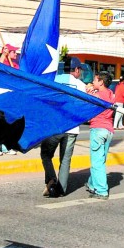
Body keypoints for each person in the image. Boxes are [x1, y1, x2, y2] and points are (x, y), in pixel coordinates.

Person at [40, 57, 85, 198]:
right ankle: (61, 189)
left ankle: (51, 180)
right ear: (76, 69)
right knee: (65, 160)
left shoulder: (53, 80)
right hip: (72, 128)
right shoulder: (81, 85)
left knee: (46, 155)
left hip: (54, 126)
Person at [84, 71, 115, 200]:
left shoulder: (97, 95)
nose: (93, 82)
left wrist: (88, 90)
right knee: (100, 160)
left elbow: (87, 100)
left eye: (95, 80)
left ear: (101, 82)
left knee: (97, 162)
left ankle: (101, 191)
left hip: (98, 128)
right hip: (109, 130)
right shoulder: (110, 94)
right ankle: (92, 184)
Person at [0, 43, 20, 155]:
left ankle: (6, 146)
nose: (16, 54)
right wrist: (3, 55)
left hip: (11, 99)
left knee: (9, 124)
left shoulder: (15, 66)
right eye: (13, 52)